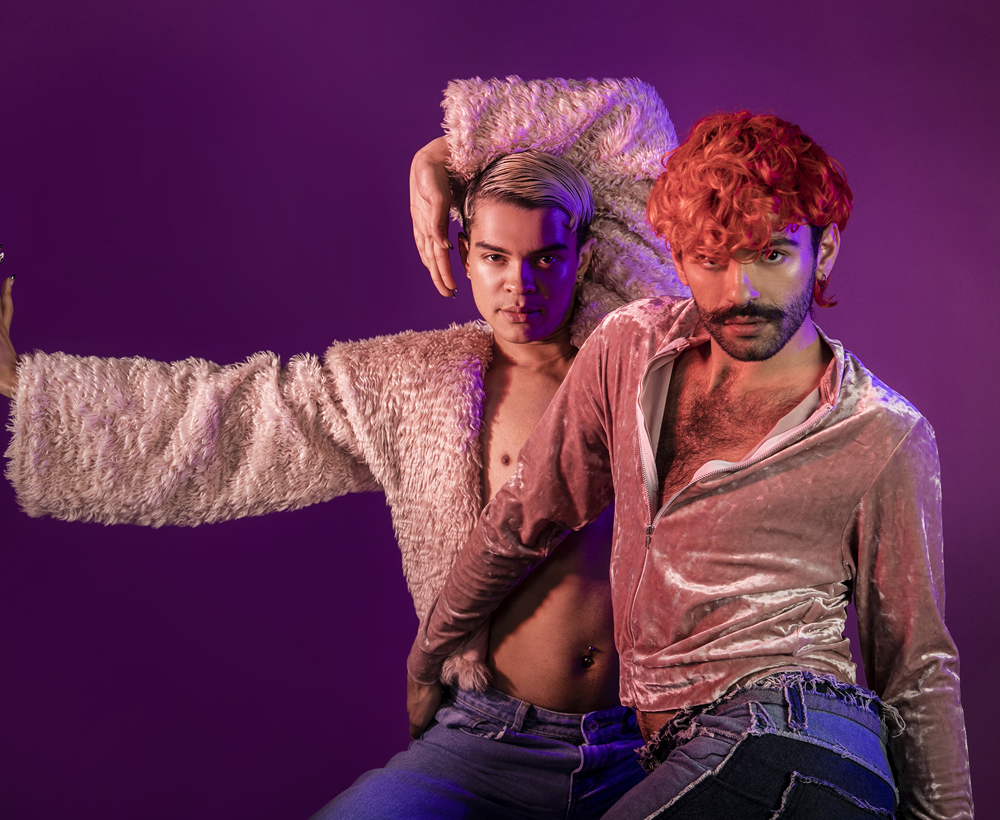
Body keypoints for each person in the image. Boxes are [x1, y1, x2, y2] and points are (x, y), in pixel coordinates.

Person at [1, 78, 685, 818]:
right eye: (493, 257)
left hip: (653, 741)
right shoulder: (412, 387)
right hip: (488, 744)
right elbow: (238, 422)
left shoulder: (640, 346)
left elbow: (628, 123)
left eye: (545, 259)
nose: (519, 284)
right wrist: (22, 387)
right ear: (462, 249)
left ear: (582, 257)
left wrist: (438, 158)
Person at [407, 111, 974, 819]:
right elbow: (523, 515)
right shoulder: (629, 348)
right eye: (711, 258)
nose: (741, 291)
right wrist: (431, 651)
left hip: (805, 732)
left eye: (771, 253)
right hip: (686, 753)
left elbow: (917, 669)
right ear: (677, 260)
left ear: (823, 252)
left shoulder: (882, 432)